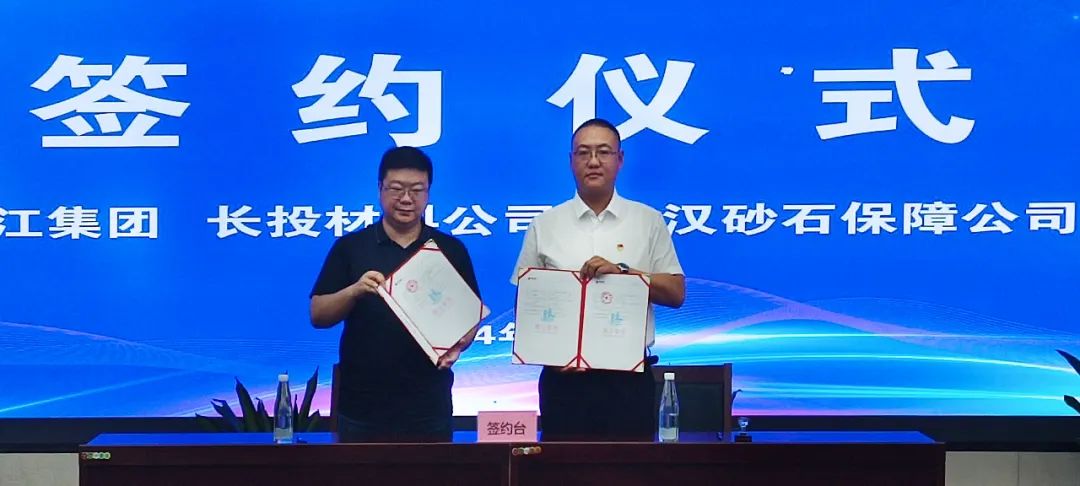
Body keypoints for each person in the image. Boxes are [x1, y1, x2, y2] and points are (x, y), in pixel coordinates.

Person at [511, 118, 686, 441]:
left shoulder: (648, 221)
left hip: (627, 380)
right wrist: (549, 352)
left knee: (629, 467)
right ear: (571, 161)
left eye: (603, 152)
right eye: (583, 153)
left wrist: (625, 275)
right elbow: (527, 302)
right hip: (564, 380)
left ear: (620, 159)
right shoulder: (544, 224)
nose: (593, 161)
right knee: (562, 467)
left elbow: (676, 293)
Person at [310, 146, 480, 442]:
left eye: (417, 190)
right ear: (380, 188)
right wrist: (354, 291)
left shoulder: (449, 249)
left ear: (428, 193)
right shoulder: (351, 247)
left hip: (429, 406)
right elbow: (318, 315)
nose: (406, 198)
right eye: (397, 188)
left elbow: (470, 318)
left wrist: (460, 344)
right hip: (362, 408)